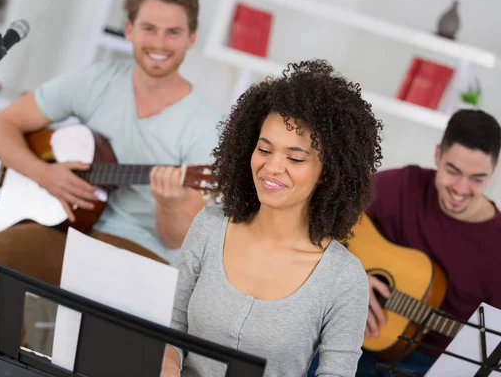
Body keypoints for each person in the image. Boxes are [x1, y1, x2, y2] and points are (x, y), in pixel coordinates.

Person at [0, 0, 222, 338]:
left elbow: (176, 239)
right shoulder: (97, 80)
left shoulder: (206, 126)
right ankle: (6, 363)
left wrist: (166, 203)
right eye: (149, 28)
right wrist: (44, 174)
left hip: (142, 252)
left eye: (173, 32)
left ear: (191, 39)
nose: (160, 43)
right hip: (74, 230)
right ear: (130, 30)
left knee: (100, 329)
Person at [159, 59, 385, 377]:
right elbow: (171, 322)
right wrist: (169, 365)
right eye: (264, 150)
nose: (272, 167)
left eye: (294, 157)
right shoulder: (210, 225)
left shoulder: (344, 278)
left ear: (328, 173)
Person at [309, 108, 501, 376]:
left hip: (427, 365)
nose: (460, 188)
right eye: (452, 170)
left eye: (477, 178)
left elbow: (492, 344)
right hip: (349, 337)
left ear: (493, 172)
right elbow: (314, 224)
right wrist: (349, 281)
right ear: (438, 155)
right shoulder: (402, 186)